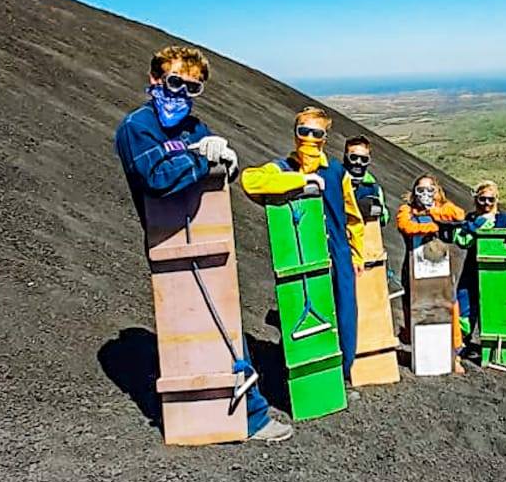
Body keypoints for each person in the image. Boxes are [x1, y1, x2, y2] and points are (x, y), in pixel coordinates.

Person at [113, 45, 291, 442]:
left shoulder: (195, 127)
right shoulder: (137, 128)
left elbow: (217, 169)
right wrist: (200, 159)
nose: (180, 94)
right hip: (170, 246)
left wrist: (223, 160)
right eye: (174, 82)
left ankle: (247, 415)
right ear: (156, 79)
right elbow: (157, 178)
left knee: (226, 329)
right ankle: (203, 418)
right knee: (191, 329)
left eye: (192, 88)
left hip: (209, 240)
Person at [240, 107, 366, 387]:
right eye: (303, 131)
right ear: (295, 133)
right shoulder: (283, 167)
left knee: (345, 311)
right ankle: (304, 372)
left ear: (325, 136)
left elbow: (353, 216)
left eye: (316, 133)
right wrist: (301, 180)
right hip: (300, 254)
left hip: (338, 252)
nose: (309, 138)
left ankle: (342, 374)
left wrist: (357, 253)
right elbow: (250, 180)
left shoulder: (337, 172)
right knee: (302, 308)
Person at [452, 181, 506, 356]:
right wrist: (477, 227)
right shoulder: (471, 219)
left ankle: (493, 350)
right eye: (482, 199)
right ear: (476, 200)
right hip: (472, 271)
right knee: (464, 308)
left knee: (493, 310)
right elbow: (461, 241)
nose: (487, 204)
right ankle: (460, 344)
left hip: (498, 274)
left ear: (497, 199)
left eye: (491, 199)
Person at [394, 174, 465, 339]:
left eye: (430, 190)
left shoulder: (441, 208)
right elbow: (406, 226)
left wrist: (433, 209)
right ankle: (414, 343)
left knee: (449, 304)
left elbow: (459, 215)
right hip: (413, 264)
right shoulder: (407, 210)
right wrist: (432, 227)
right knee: (412, 304)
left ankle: (454, 349)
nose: (425, 194)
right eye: (420, 190)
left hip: (439, 265)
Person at [343, 136, 389, 226]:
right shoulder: (334, 180)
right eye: (353, 157)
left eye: (364, 159)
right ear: (345, 156)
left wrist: (378, 212)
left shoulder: (374, 188)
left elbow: (384, 219)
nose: (358, 162)